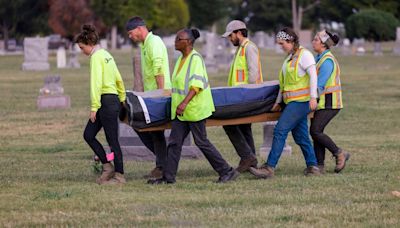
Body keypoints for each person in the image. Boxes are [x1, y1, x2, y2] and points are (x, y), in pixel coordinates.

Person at [148, 28, 239, 184]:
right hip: (181, 111)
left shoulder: (195, 59)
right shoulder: (180, 60)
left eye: (179, 39)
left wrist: (184, 103)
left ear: (188, 42)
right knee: (174, 143)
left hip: (194, 108)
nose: (175, 42)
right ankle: (168, 178)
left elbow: (196, 85)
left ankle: (227, 171)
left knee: (201, 141)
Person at [249, 27, 321, 179]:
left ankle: (269, 167)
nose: (280, 47)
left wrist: (313, 97)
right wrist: (278, 102)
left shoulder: (305, 55)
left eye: (282, 43)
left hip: (301, 102)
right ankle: (313, 166)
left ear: (290, 41)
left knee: (280, 130)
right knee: (301, 137)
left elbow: (313, 76)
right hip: (291, 103)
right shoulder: (288, 60)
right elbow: (284, 85)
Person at [76, 24, 127, 184]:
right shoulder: (107, 54)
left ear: (89, 44)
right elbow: (118, 77)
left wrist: (93, 108)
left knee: (112, 140)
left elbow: (96, 83)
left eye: (82, 47)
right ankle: (107, 166)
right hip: (111, 101)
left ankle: (119, 175)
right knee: (88, 135)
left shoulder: (96, 57)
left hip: (106, 101)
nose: (81, 51)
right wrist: (122, 98)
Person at [126, 16, 171, 179]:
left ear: (140, 28)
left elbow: (158, 69)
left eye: (131, 33)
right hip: (150, 97)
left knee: (153, 131)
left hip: (158, 96)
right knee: (147, 130)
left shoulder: (154, 43)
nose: (130, 37)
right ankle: (164, 163)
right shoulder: (145, 45)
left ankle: (163, 165)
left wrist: (160, 95)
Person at [221, 20, 264, 173]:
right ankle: (250, 161)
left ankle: (247, 157)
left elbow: (253, 75)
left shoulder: (249, 48)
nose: (229, 39)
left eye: (230, 35)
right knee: (244, 128)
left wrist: (248, 96)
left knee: (229, 123)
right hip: (240, 97)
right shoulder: (241, 48)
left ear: (239, 33)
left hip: (247, 97)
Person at [310, 30, 350, 173]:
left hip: (330, 102)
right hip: (322, 102)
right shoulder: (319, 58)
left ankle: (339, 153)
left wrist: (311, 99)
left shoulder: (327, 61)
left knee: (315, 131)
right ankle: (319, 166)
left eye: (316, 39)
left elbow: (319, 85)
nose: (313, 41)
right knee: (316, 132)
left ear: (323, 44)